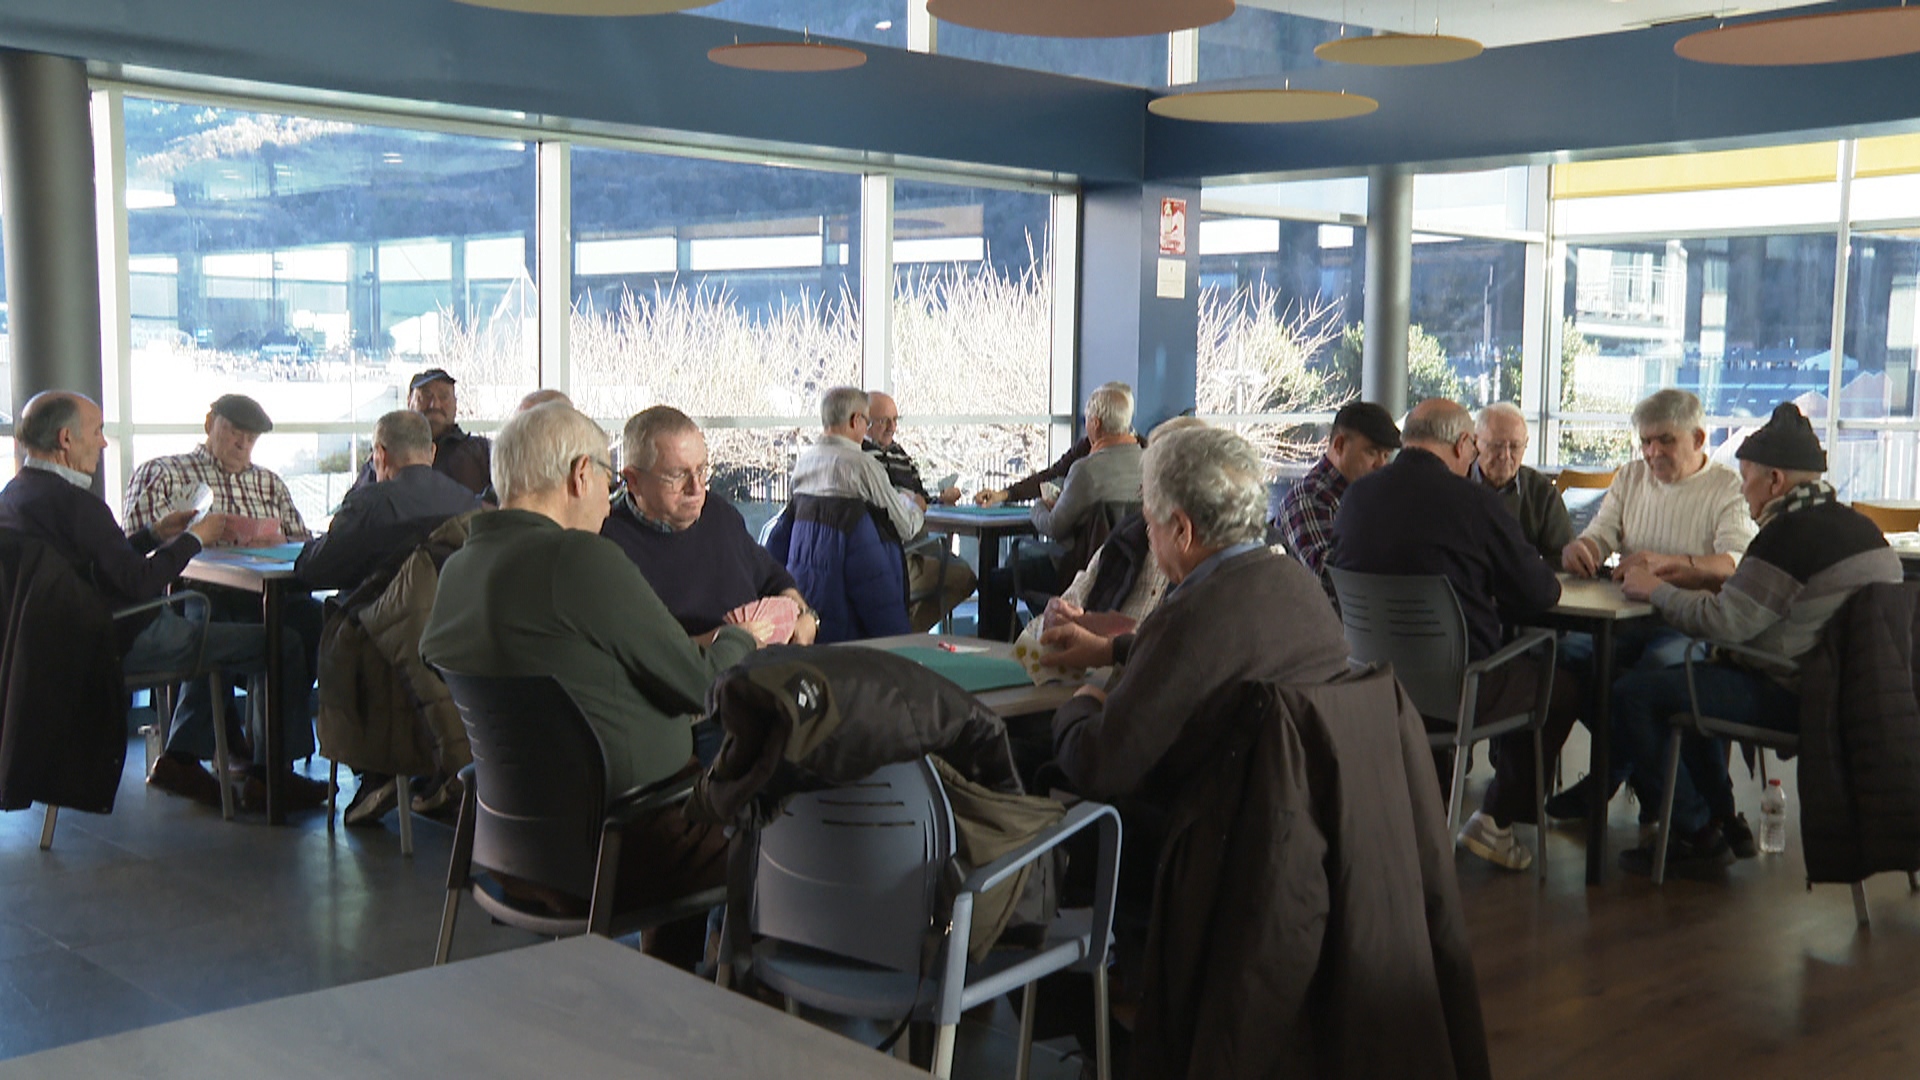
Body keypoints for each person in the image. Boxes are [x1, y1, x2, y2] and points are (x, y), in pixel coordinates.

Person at [419, 400, 776, 966]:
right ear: (580, 474)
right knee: (778, 822)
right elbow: (701, 683)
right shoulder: (580, 559)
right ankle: (737, 1007)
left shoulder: (460, 568)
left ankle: (664, 987)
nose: (608, 505)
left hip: (508, 843)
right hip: (627, 842)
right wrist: (744, 635)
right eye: (608, 479)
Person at [1611, 403, 1902, 875]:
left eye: (1745, 477)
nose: (1742, 488)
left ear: (1775, 482)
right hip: (1853, 700)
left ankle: (1695, 830)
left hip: (1794, 695)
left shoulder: (1788, 536)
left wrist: (1656, 590)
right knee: (1691, 683)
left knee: (1635, 694)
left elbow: (1725, 625)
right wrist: (1696, 577)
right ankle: (1723, 819)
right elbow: (1771, 604)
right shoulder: (1859, 528)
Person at [0, 392, 325, 809]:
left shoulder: (17, 495)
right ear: (66, 439)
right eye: (98, 432)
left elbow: (96, 564)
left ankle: (203, 758)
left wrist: (155, 535)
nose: (103, 443)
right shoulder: (81, 506)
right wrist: (194, 538)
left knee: (275, 621)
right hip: (122, 634)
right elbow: (139, 582)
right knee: (282, 643)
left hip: (64, 643)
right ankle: (268, 775)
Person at [1331, 399, 1581, 872]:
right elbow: (1541, 592)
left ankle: (1421, 821)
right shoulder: (1473, 502)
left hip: (1371, 683)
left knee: (1447, 687)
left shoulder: (1356, 497)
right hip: (1460, 690)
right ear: (1464, 444)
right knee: (1562, 685)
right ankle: (1496, 819)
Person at [1042, 425, 1351, 794]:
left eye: (1150, 523)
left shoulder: (1191, 616)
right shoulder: (1299, 585)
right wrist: (1113, 649)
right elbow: (1221, 660)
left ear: (1181, 531)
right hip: (1288, 818)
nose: (1147, 536)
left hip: (1192, 832)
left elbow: (1099, 765)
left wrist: (1081, 706)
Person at [1549, 388, 1758, 818]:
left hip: (1691, 623)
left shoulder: (1727, 488)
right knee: (1562, 658)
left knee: (1645, 680)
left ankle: (1613, 774)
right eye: (1645, 441)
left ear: (1699, 440)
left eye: (1665, 440)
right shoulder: (1630, 477)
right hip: (1626, 617)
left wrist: (1671, 564)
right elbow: (1603, 531)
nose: (1652, 451)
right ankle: (1632, 768)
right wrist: (1582, 547)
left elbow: (1735, 564)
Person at [603, 405, 819, 645]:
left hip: (760, 670)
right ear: (633, 481)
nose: (696, 488)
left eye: (701, 470)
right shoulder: (607, 545)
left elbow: (772, 578)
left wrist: (806, 616)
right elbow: (632, 652)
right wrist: (722, 643)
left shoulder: (719, 514)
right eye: (677, 475)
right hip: (690, 679)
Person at [294, 410, 482, 590]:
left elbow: (314, 570)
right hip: (444, 620)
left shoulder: (367, 505)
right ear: (432, 452)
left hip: (372, 620)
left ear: (380, 455)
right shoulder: (467, 503)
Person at [123, 393, 311, 544]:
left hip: (269, 584)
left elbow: (305, 540)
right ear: (209, 424)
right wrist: (198, 537)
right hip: (193, 586)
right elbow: (132, 550)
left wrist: (283, 541)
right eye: (234, 432)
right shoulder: (163, 473)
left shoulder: (271, 484)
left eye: (252, 438)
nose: (243, 445)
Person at [861, 391, 975, 632]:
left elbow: (919, 497)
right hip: (895, 553)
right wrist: (916, 502)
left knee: (962, 575)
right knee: (964, 577)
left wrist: (939, 500)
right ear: (865, 423)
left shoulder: (899, 453)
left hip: (915, 546)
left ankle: (904, 631)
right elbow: (896, 506)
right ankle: (905, 635)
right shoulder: (861, 460)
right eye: (885, 421)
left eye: (896, 419)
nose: (893, 427)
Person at [1273, 400, 1400, 601]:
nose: (1381, 464)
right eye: (1372, 452)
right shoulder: (1310, 498)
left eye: (1386, 455)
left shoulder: (1369, 498)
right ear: (1339, 445)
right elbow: (1332, 581)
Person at [973, 381, 1144, 507]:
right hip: (1134, 552)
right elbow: (1051, 476)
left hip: (1085, 553)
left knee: (1022, 554)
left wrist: (1041, 506)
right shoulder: (1148, 455)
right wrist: (1004, 494)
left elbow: (1056, 525)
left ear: (1095, 423)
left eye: (1087, 419)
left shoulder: (1084, 466)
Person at [791, 386, 924, 545]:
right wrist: (917, 507)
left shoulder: (802, 465)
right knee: (953, 569)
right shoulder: (865, 467)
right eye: (867, 422)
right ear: (856, 420)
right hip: (865, 567)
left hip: (806, 567)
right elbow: (906, 528)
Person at [351, 368, 491, 495]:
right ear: (409, 401)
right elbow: (355, 508)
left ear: (456, 404)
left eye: (444, 396)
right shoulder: (386, 454)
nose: (434, 404)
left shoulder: (482, 452)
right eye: (425, 396)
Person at [1473, 402, 1573, 567]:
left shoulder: (1542, 493)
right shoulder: (1457, 482)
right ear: (1475, 441)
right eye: (1496, 445)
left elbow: (1561, 558)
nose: (1505, 455)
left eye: (1515, 446)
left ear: (1526, 443)